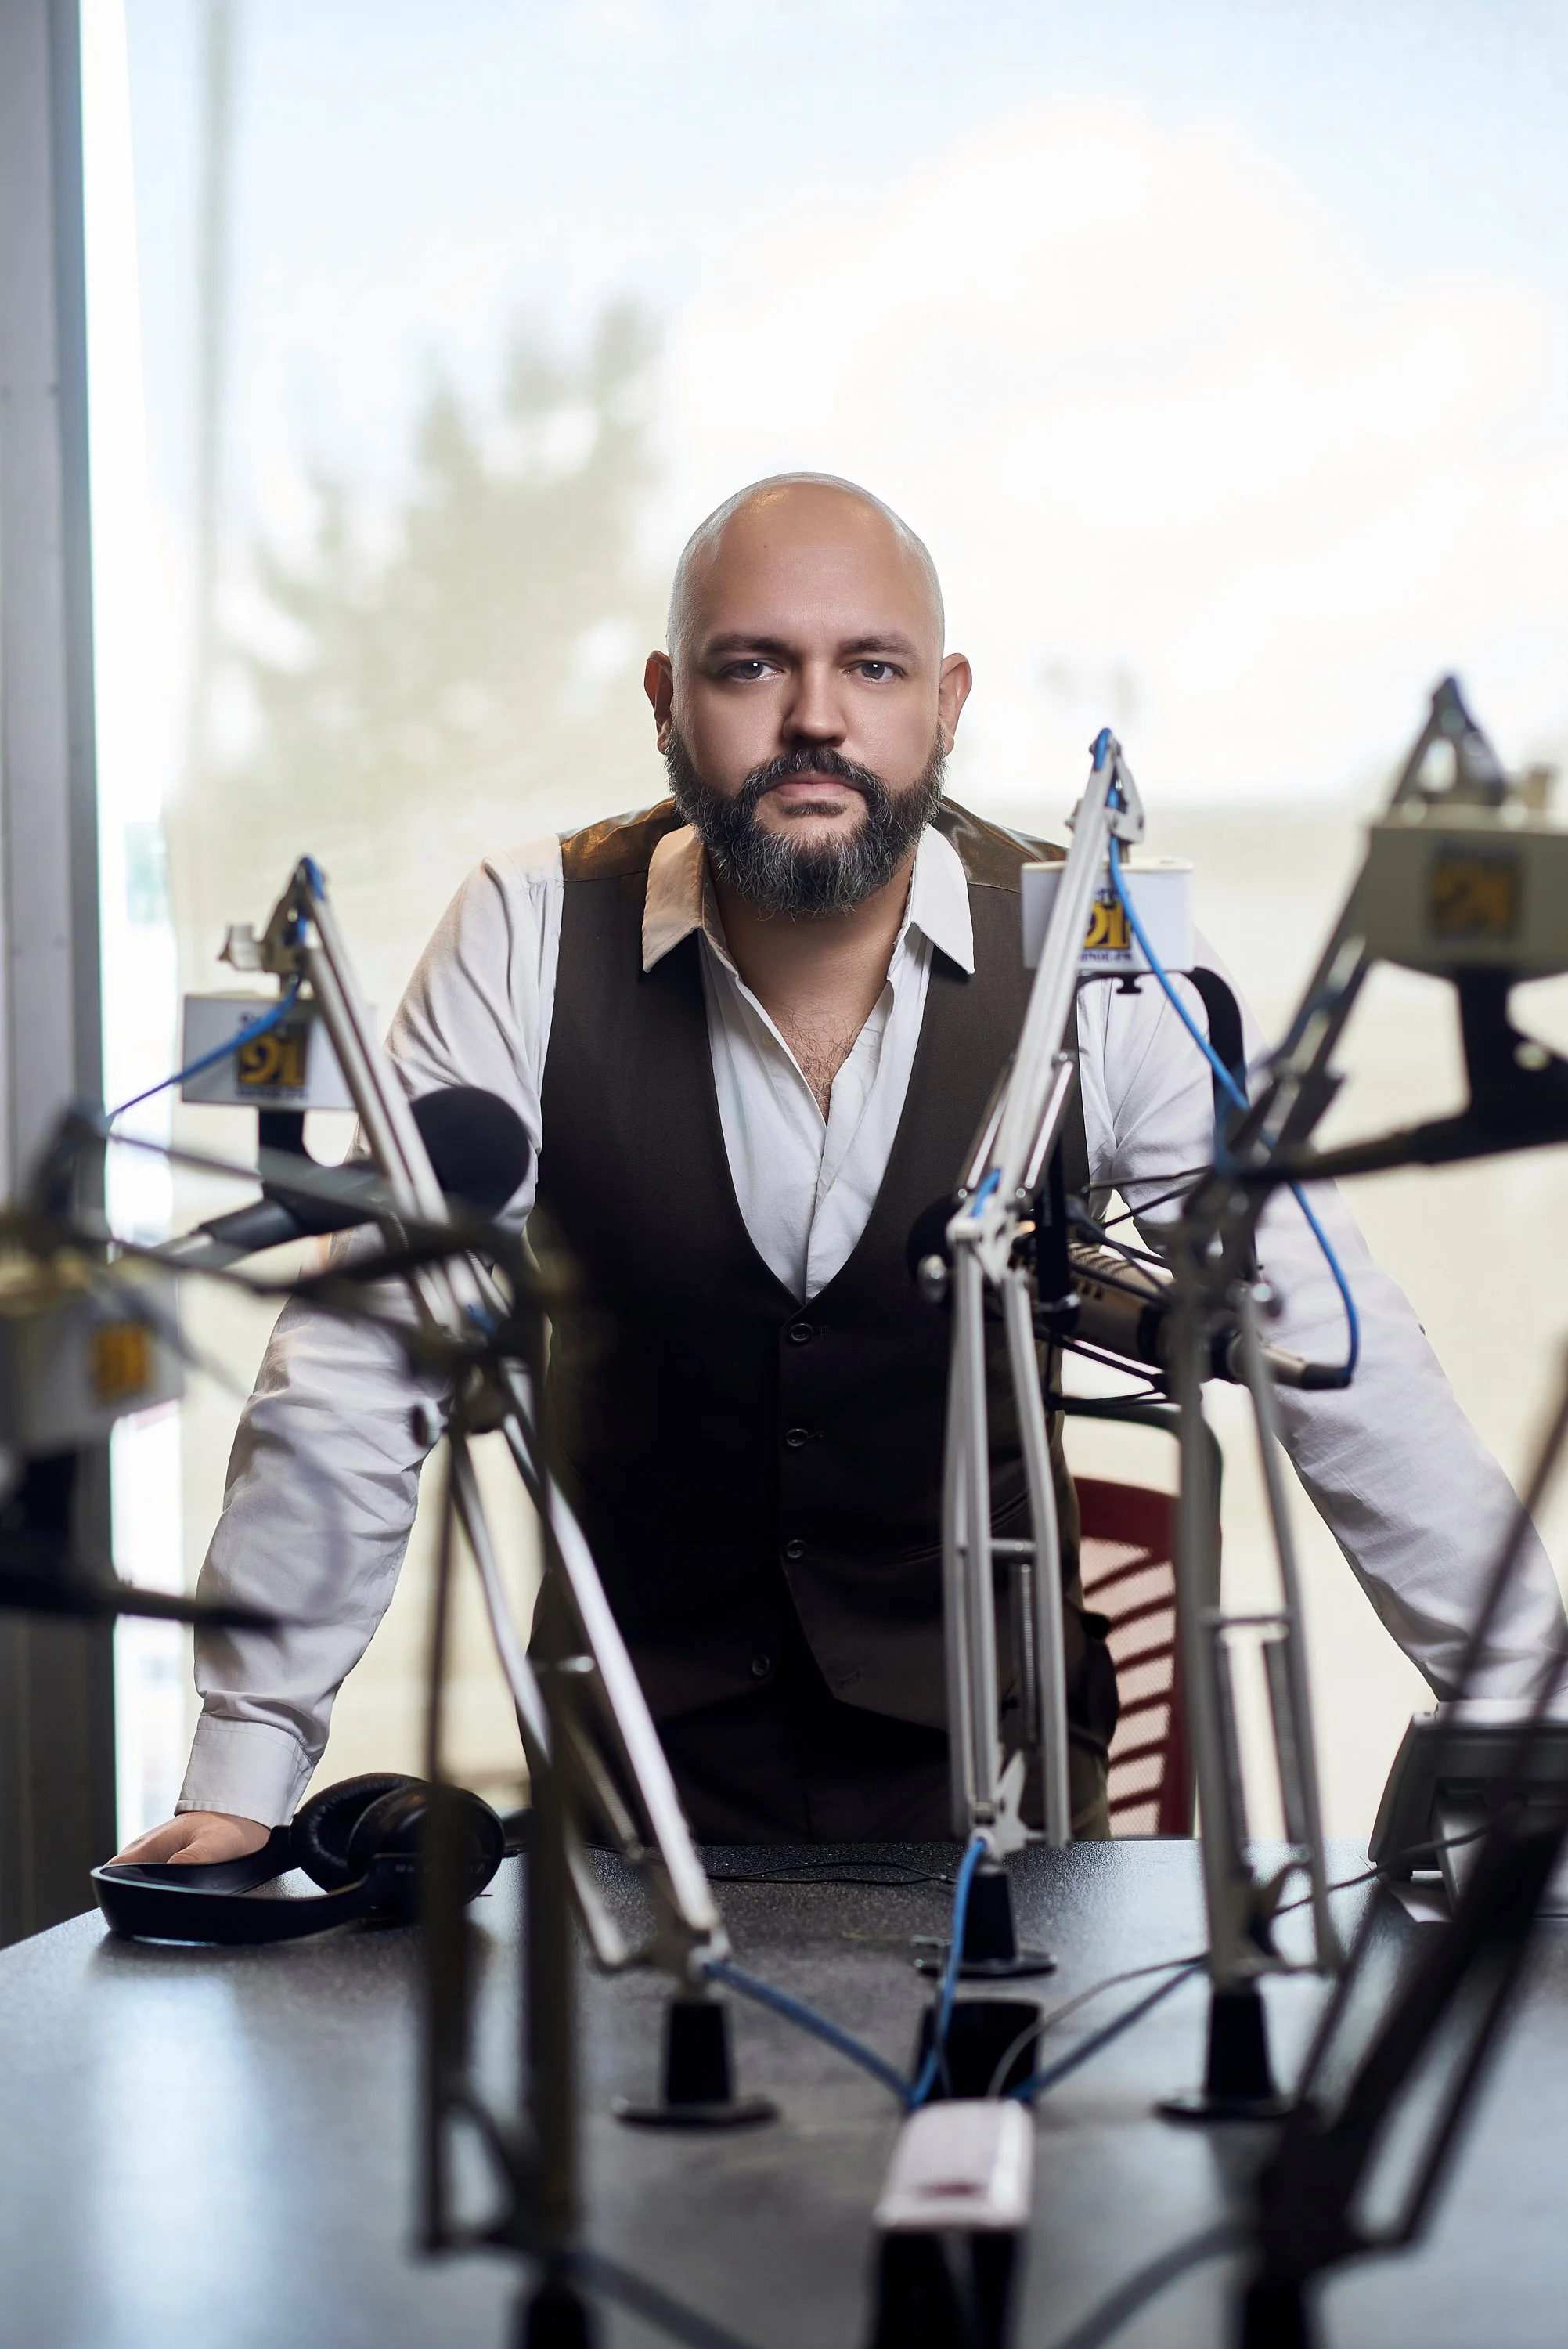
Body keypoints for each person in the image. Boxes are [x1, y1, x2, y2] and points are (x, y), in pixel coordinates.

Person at [118, 473, 1564, 1861]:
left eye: (871, 669)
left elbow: (1328, 1339)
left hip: (1004, 1799)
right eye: (752, 666)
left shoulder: (1095, 951)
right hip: (632, 1799)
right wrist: (247, 1770)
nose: (815, 720)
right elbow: (359, 1365)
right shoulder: (520, 930)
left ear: (944, 707)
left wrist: (1529, 1721)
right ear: (666, 701)